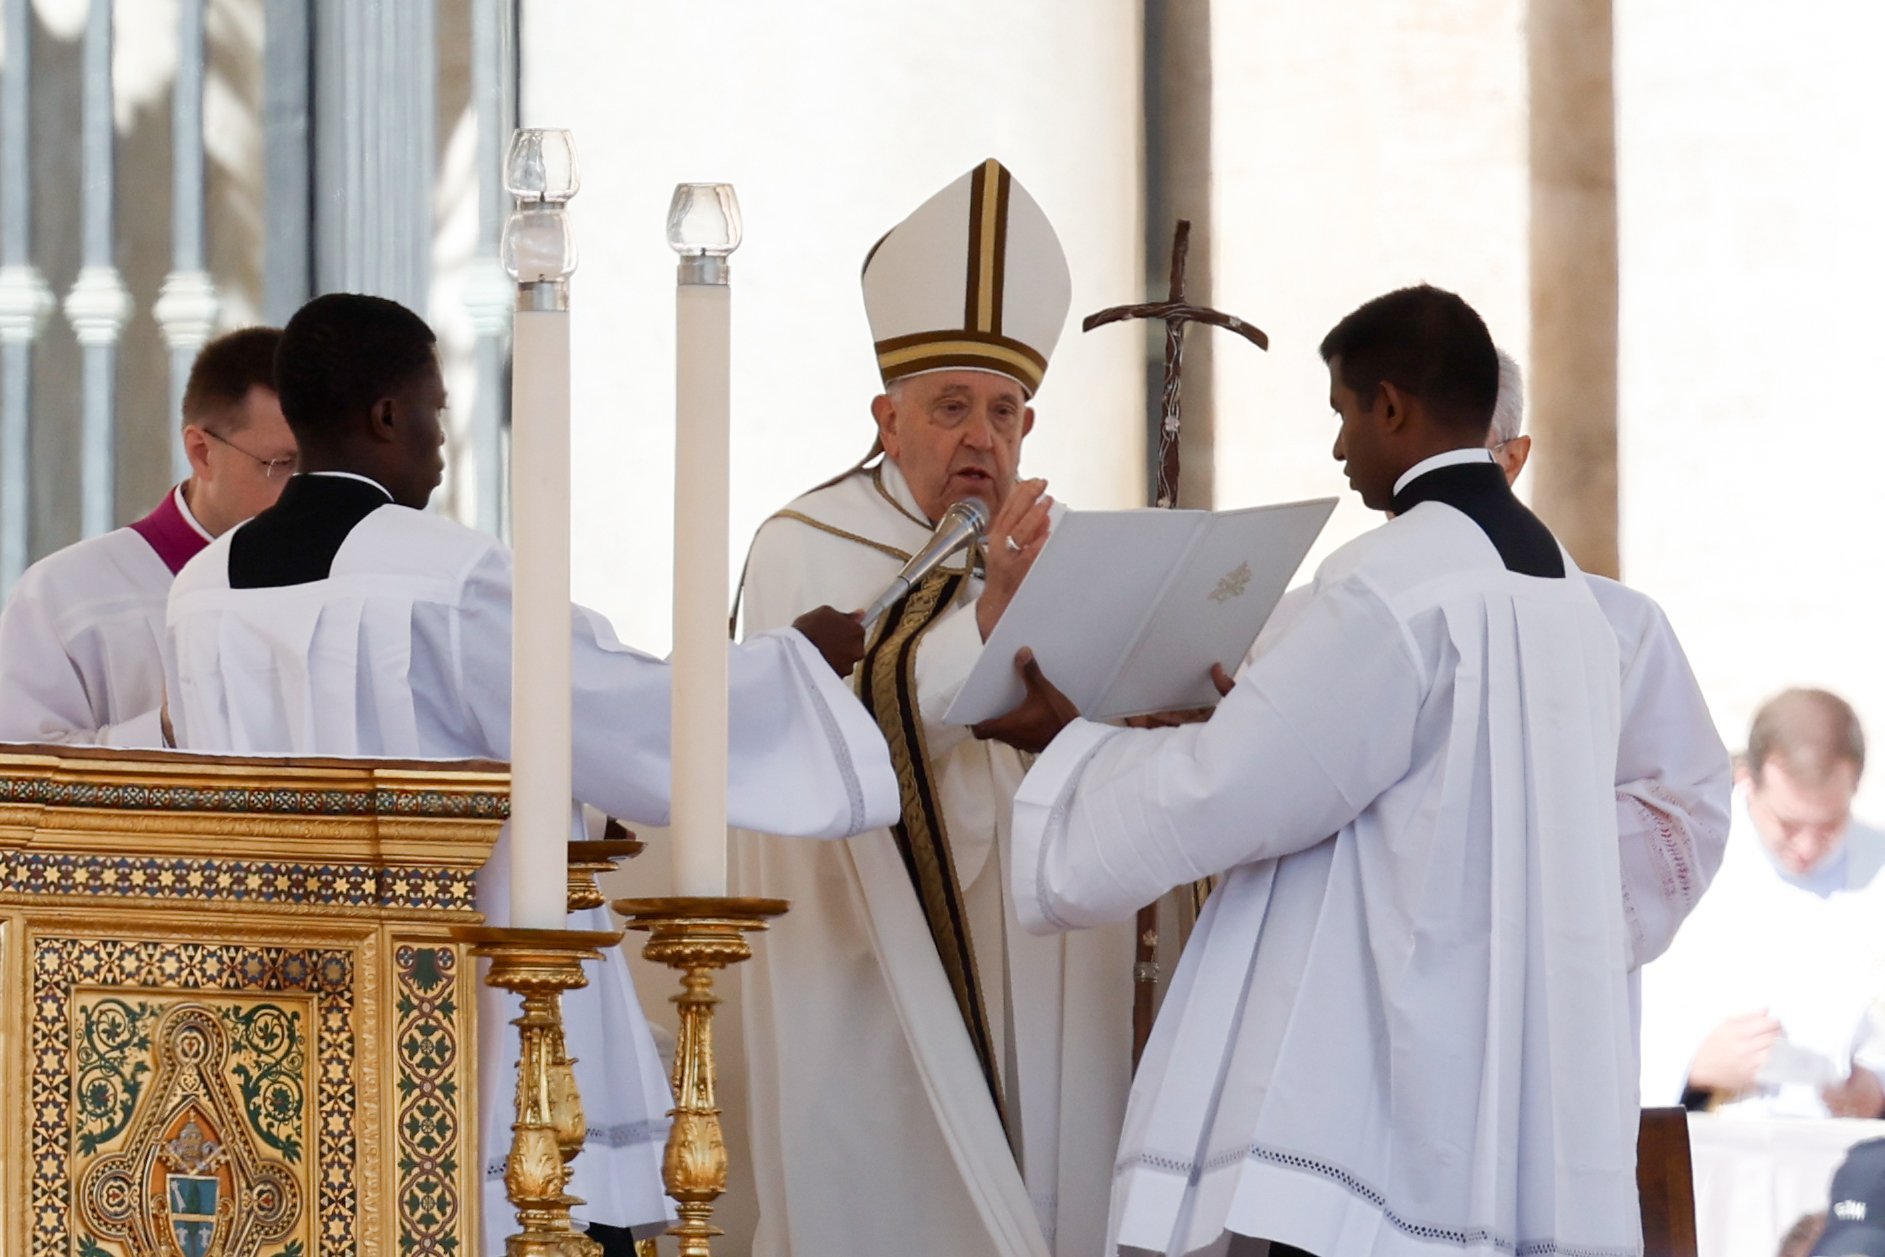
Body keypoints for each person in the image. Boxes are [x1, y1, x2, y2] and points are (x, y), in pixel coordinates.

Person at [164, 292, 899, 1252]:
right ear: (387, 414)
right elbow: (616, 721)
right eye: (434, 410)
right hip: (487, 1021)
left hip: (282, 1034)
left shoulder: (198, 592)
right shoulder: (446, 575)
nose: (441, 440)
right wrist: (784, 664)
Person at [979, 285, 1640, 1256]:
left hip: (1382, 1083)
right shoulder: (1562, 595)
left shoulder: (1390, 582)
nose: (1338, 450)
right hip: (1503, 1073)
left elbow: (1234, 787)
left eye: (1341, 414)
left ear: (1390, 406)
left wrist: (1074, 745)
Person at [731, 159, 1131, 1257]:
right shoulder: (800, 545)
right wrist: (990, 616)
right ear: (885, 416)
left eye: (1003, 413)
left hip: (1035, 960)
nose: (980, 440)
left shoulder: (1050, 550)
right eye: (950, 407)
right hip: (862, 956)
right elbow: (833, 735)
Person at [0, 327, 293, 745]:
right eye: (281, 464)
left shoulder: (353, 583)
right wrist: (166, 729)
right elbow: (19, 778)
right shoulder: (65, 595)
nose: (306, 488)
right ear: (202, 452)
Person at [1641, 689, 1885, 1119]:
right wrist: (1693, 1065)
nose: (1807, 847)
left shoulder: (1876, 866)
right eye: (1789, 824)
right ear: (1746, 780)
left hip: (1845, 1158)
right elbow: (1619, 1008)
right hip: (1709, 1150)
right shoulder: (1681, 858)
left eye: (1829, 824)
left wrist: (1878, 1087)